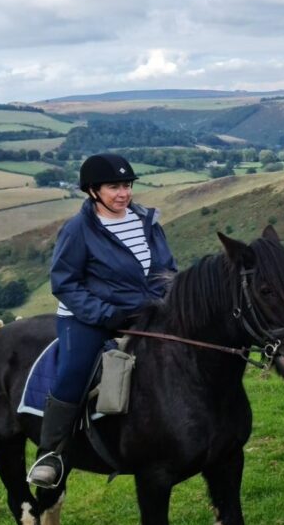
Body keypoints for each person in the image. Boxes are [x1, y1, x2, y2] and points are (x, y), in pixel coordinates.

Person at [27, 153, 177, 489]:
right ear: (93, 191)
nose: (123, 193)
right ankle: (51, 453)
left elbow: (165, 270)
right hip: (87, 317)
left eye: (127, 185)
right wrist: (104, 314)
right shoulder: (78, 230)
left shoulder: (146, 221)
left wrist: (162, 302)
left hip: (144, 312)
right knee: (74, 371)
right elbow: (64, 283)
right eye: (114, 187)